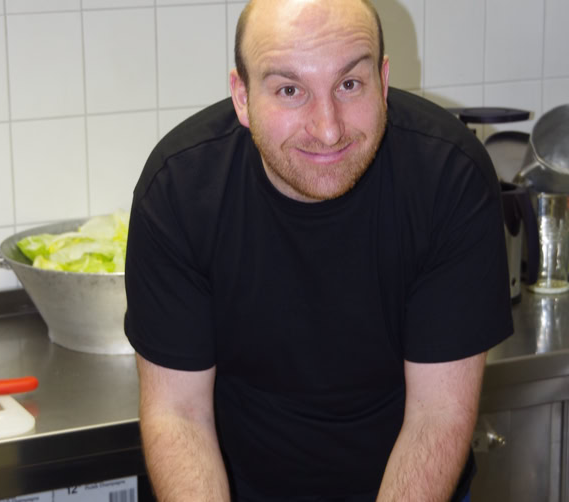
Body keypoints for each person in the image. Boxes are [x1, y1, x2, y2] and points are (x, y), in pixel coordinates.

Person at [123, 0, 513, 500]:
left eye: (349, 84)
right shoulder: (179, 191)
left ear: (383, 81)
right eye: (290, 90)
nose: (328, 129)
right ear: (242, 97)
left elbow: (437, 416)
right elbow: (178, 414)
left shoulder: (448, 177)